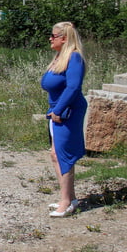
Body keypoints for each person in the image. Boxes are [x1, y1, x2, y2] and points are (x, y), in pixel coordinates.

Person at [42, 21, 87, 217]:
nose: (50, 38)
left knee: (63, 156)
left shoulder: (74, 57)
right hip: (57, 111)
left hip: (66, 111)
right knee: (56, 154)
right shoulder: (60, 56)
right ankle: (70, 197)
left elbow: (73, 87)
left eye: (54, 35)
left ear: (65, 38)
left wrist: (59, 111)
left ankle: (66, 202)